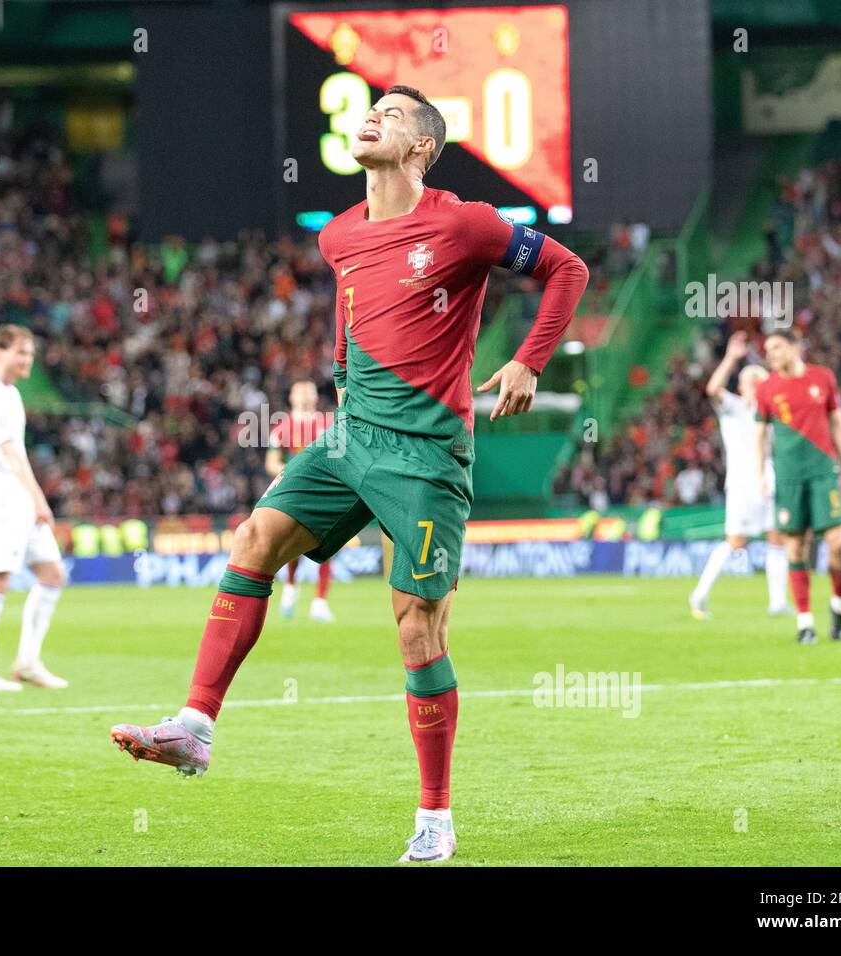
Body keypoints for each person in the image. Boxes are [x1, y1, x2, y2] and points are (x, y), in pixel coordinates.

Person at [112, 85, 588, 862]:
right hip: (350, 437)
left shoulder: (464, 222)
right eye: (371, 108)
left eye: (393, 114)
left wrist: (529, 360)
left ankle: (435, 820)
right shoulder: (338, 236)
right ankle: (195, 728)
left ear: (422, 147)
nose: (374, 116)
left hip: (427, 455)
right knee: (255, 537)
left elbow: (569, 270)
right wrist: (340, 374)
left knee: (417, 628)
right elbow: (349, 308)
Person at [0, 324, 68, 690]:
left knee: (53, 573)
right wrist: (39, 498)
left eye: (31, 354)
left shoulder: (11, 394)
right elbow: (9, 451)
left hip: (18, 494)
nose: (28, 360)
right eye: (21, 352)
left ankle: (27, 661)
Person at [754, 330, 841, 644]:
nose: (770, 354)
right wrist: (760, 473)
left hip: (824, 473)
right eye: (767, 349)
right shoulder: (767, 388)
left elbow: (838, 423)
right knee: (796, 547)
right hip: (788, 478)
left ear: (795, 347)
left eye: (776, 347)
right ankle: (805, 623)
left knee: (837, 545)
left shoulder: (823, 378)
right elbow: (759, 437)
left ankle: (838, 607)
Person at [690, 331, 792, 619]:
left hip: (768, 478)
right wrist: (732, 358)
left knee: (777, 537)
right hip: (743, 483)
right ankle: (699, 594)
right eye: (751, 382)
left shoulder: (771, 414)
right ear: (743, 385)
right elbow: (712, 390)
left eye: (760, 382)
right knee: (736, 542)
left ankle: (777, 602)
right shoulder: (734, 408)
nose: (756, 386)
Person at [265, 380, 335, 623]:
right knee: (293, 545)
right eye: (300, 391)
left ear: (316, 397)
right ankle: (292, 586)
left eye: (309, 390)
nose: (305, 395)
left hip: (323, 491)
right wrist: (296, 472)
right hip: (294, 492)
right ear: (292, 396)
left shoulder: (330, 425)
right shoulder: (282, 429)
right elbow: (271, 462)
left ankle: (320, 602)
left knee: (328, 545)